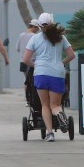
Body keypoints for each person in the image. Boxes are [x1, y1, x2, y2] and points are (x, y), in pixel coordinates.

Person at [22, 12, 74, 142]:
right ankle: (60, 114)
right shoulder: (61, 37)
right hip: (57, 73)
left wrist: (36, 65)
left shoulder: (34, 38)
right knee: (55, 105)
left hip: (41, 73)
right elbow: (72, 55)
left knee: (44, 105)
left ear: (39, 25)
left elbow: (25, 59)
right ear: (52, 23)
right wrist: (61, 63)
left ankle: (50, 134)